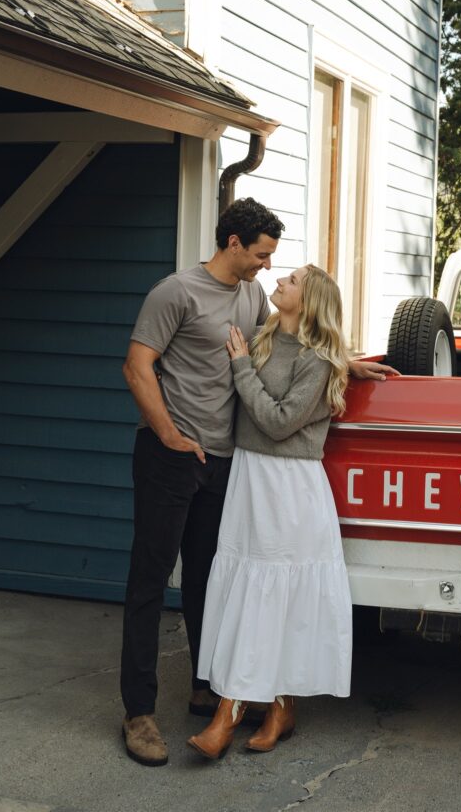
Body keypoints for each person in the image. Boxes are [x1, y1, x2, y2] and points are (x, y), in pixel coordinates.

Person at [120, 198, 397, 767]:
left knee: (207, 579)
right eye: (263, 254)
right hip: (171, 456)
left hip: (226, 463)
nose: (268, 267)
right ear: (233, 244)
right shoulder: (175, 293)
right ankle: (138, 712)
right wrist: (170, 434)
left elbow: (299, 343)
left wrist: (347, 362)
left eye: (275, 259)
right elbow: (136, 366)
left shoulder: (251, 297)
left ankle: (206, 686)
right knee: (150, 581)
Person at [187, 265, 352, 760]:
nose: (280, 280)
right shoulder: (261, 336)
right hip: (250, 478)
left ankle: (235, 714)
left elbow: (280, 422)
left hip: (290, 486)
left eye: (294, 280)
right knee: (249, 592)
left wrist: (241, 369)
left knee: (278, 594)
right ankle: (272, 706)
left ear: (310, 300)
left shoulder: (317, 358)